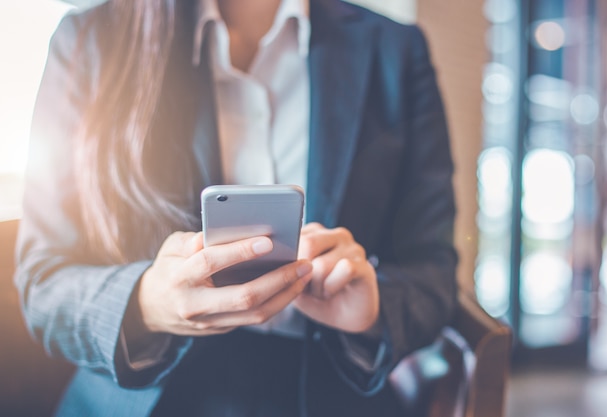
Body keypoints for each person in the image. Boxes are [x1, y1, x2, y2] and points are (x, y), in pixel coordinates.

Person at [14, 0, 458, 416]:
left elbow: (433, 272)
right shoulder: (89, 42)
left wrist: (374, 310)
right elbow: (44, 281)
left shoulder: (395, 51)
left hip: (329, 387)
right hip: (147, 396)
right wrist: (147, 302)